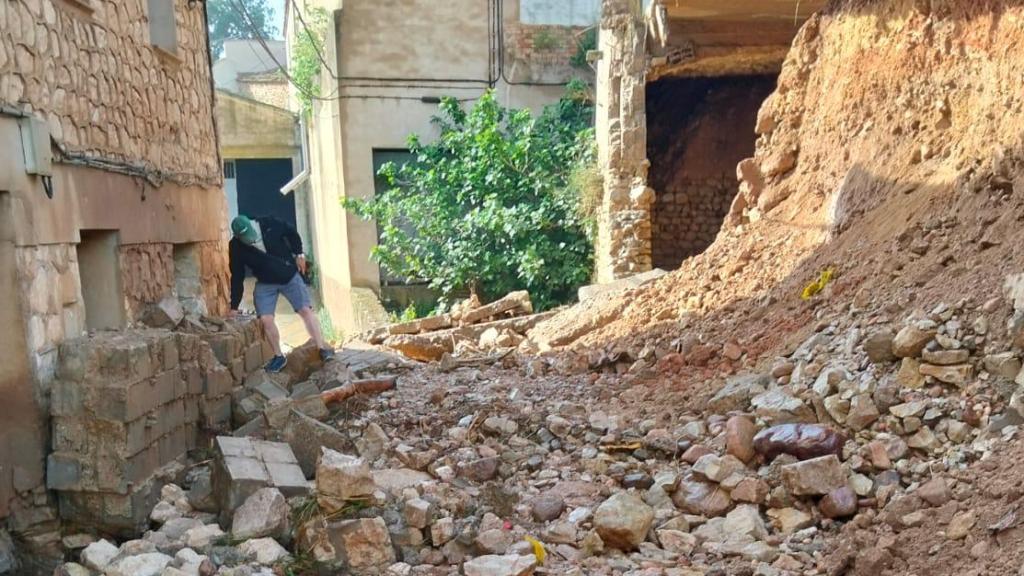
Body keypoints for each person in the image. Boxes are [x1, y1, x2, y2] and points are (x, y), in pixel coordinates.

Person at [228, 214, 334, 372]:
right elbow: (237, 275)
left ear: (252, 225)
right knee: (265, 319)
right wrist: (234, 306)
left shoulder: (269, 223)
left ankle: (322, 348)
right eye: (244, 238)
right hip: (265, 282)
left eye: (249, 235)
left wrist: (299, 254)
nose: (250, 240)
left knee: (305, 310)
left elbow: (291, 232)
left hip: (288, 275)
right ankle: (279, 356)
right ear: (237, 236)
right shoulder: (236, 246)